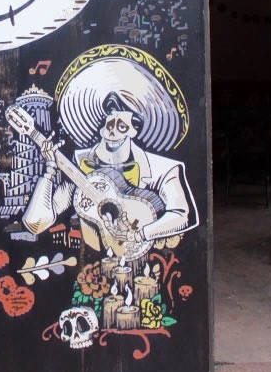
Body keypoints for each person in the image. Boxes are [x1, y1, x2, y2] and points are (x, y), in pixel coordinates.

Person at [22, 91, 198, 256]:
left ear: (134, 131)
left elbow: (183, 215)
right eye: (110, 124)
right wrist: (49, 171)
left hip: (147, 261)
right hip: (90, 262)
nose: (113, 131)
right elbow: (36, 224)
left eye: (122, 126)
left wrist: (139, 234)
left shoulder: (163, 168)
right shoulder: (79, 164)